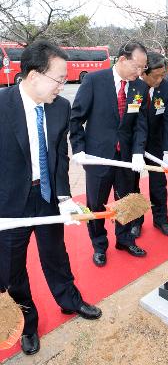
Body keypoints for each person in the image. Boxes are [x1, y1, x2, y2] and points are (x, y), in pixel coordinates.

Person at [0, 40, 102, 356]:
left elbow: (58, 154)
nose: (63, 84)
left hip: (45, 194)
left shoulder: (60, 107)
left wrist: (63, 197)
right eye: (58, 78)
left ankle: (69, 299)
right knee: (12, 269)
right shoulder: (2, 105)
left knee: (55, 252)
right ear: (33, 76)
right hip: (9, 203)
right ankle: (27, 323)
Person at [70, 41, 149, 267]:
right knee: (96, 204)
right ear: (122, 60)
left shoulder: (140, 88)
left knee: (125, 201)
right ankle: (99, 244)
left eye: (143, 68)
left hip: (125, 158)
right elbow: (76, 119)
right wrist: (78, 149)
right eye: (137, 66)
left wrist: (137, 152)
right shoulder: (94, 81)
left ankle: (124, 239)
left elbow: (140, 124)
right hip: (97, 157)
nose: (139, 72)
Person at [130, 52, 168, 238]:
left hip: (157, 142)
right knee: (132, 184)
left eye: (163, 74)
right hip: (134, 143)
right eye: (156, 76)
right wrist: (136, 151)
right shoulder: (134, 87)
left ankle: (161, 219)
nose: (160, 79)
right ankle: (136, 221)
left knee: (158, 184)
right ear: (144, 73)